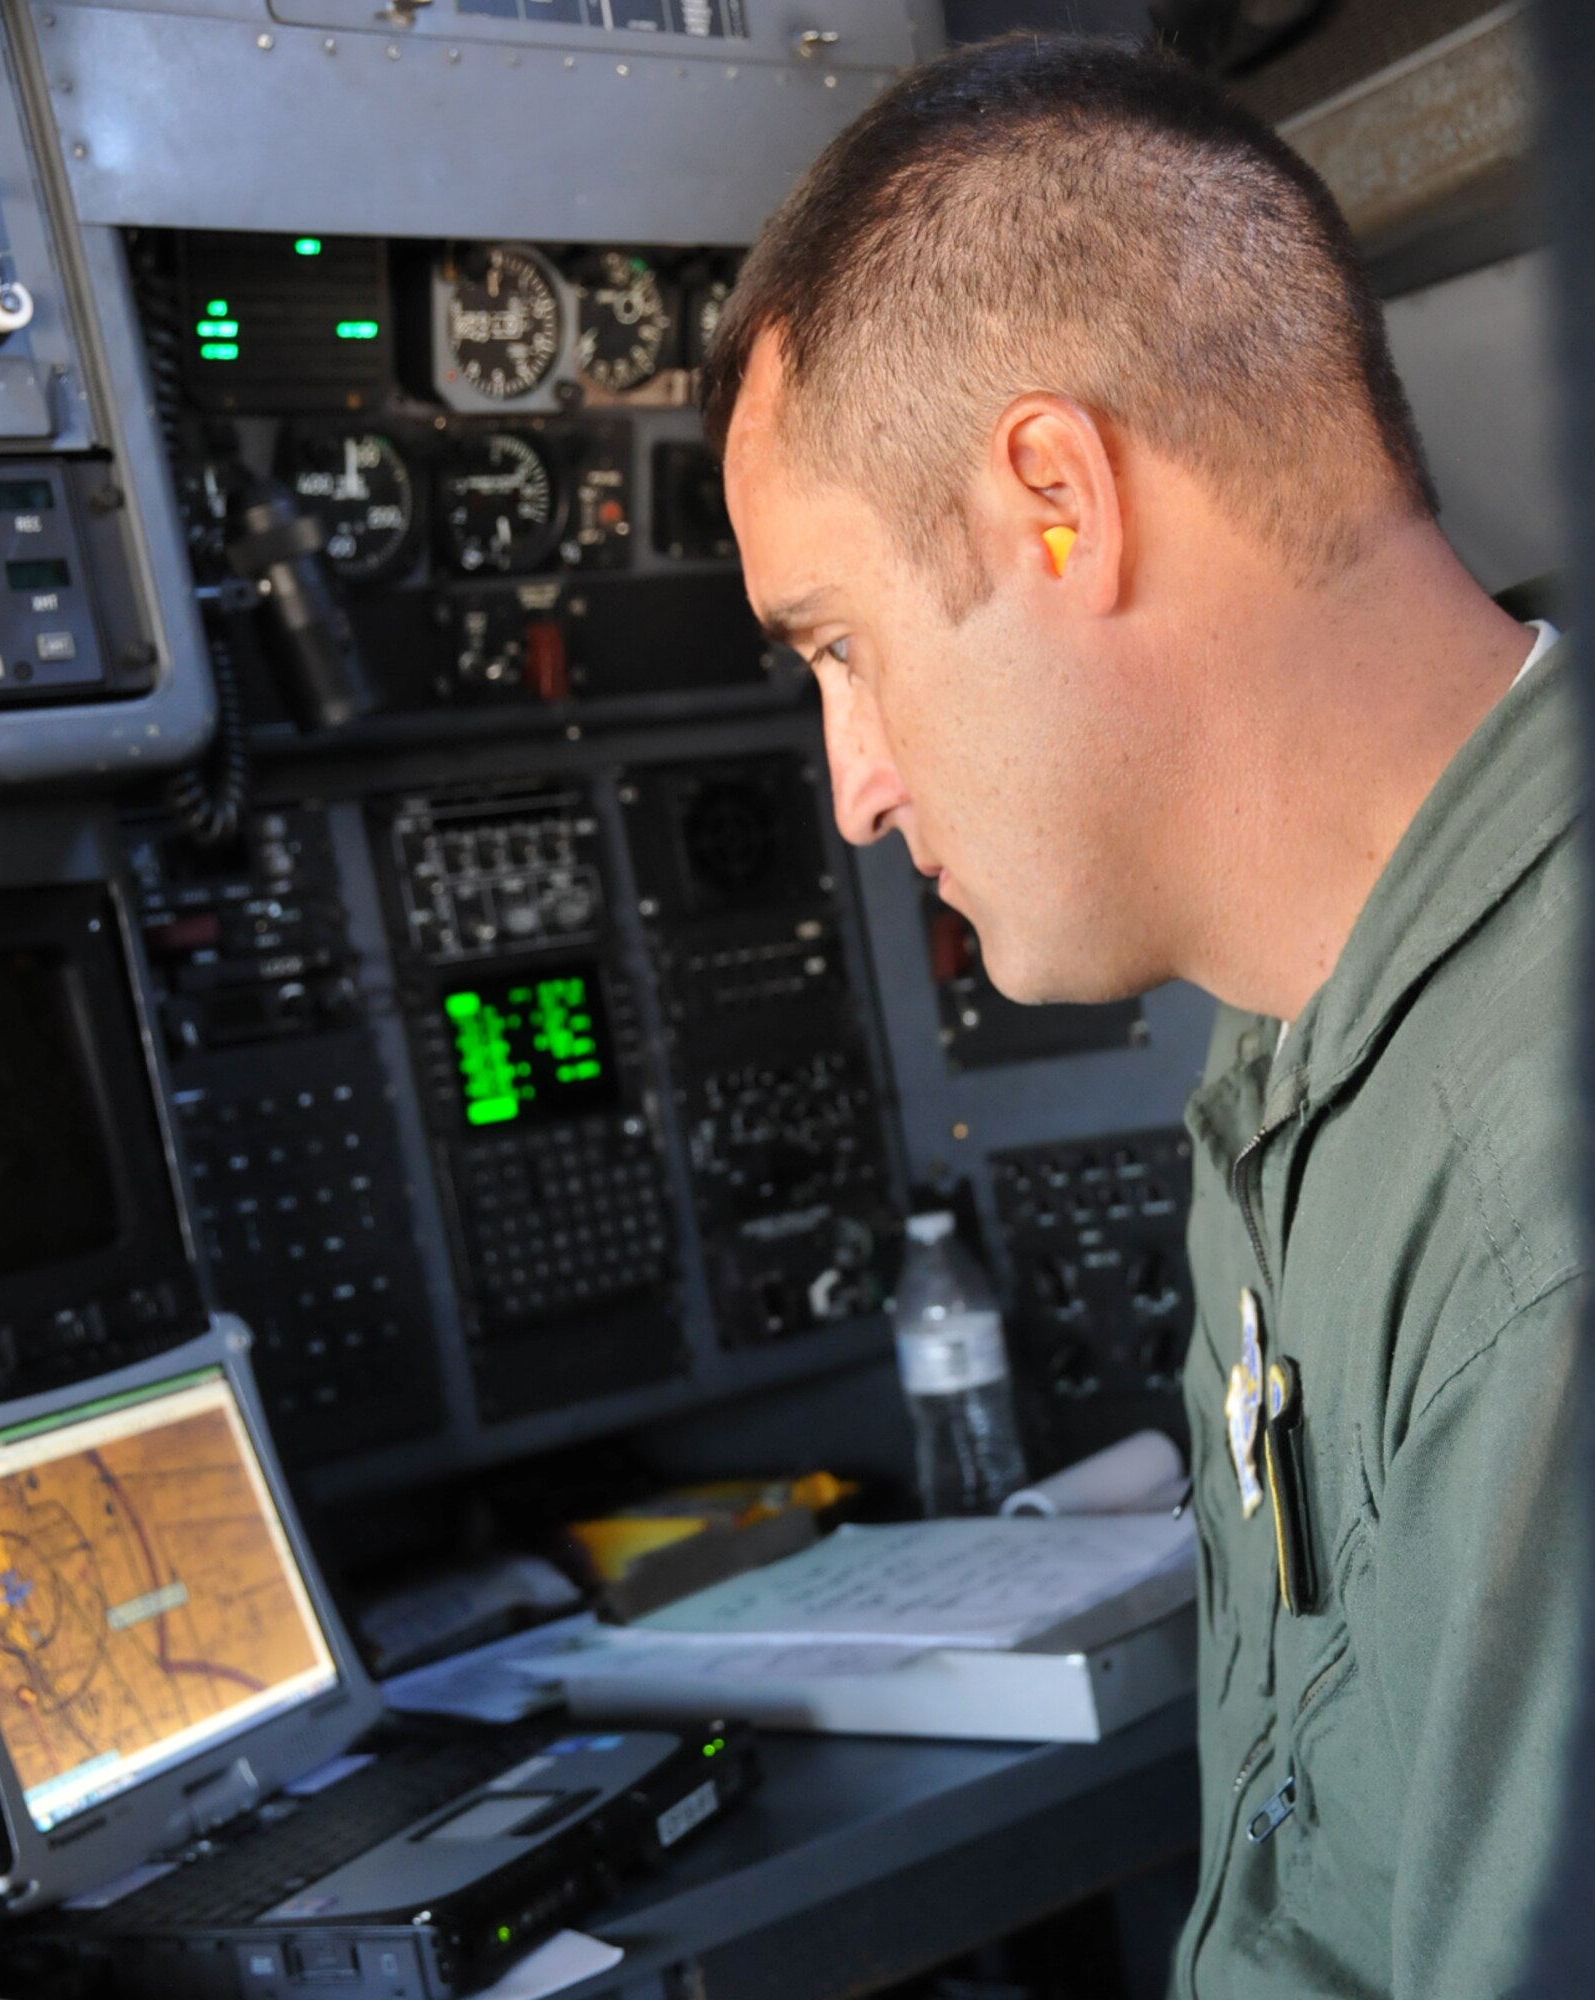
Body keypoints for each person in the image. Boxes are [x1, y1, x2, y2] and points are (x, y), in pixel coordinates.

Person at [702, 32, 1586, 2000]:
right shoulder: (1295, 1050)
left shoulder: (1542, 1216)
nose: (852, 785)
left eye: (842, 647)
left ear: (1054, 504)